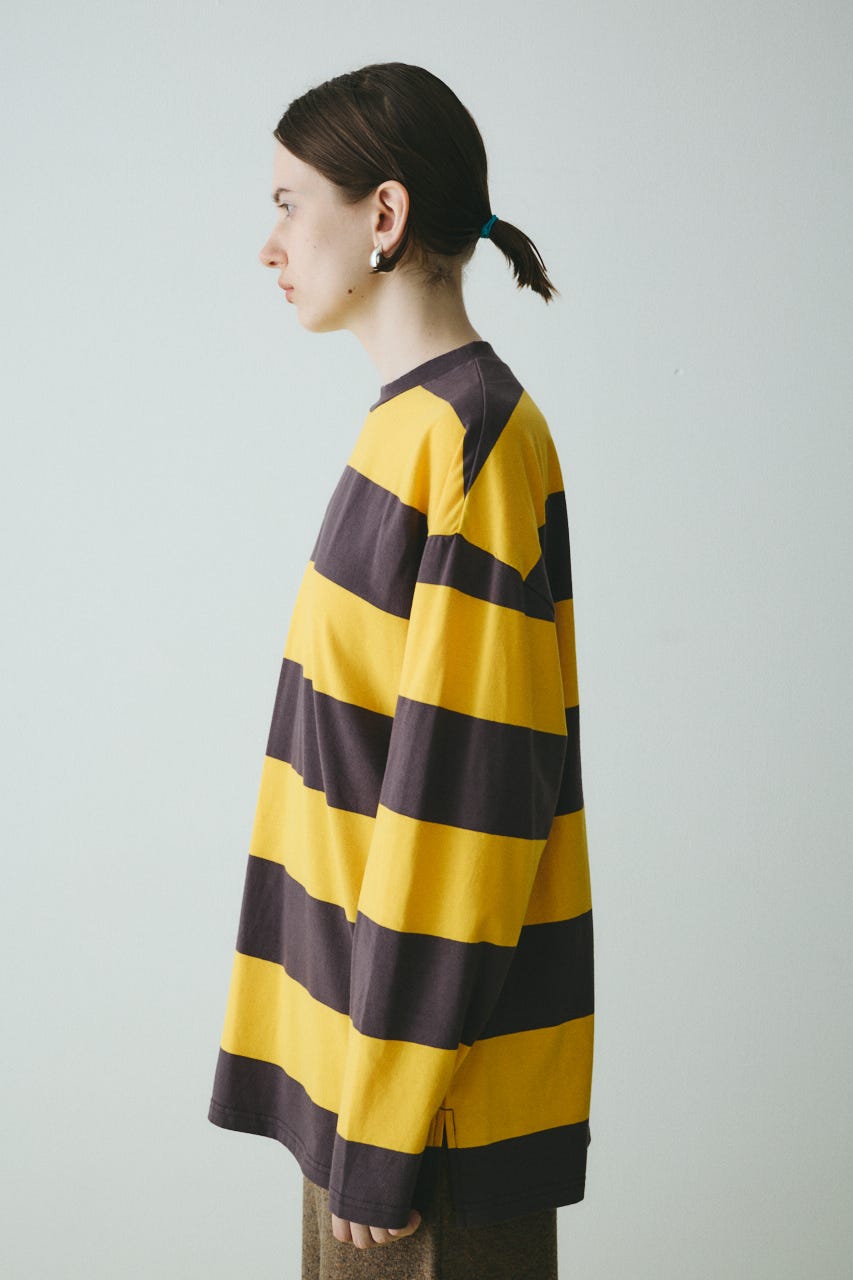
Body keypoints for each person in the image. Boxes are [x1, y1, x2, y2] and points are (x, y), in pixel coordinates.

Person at [208, 61, 594, 1280]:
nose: (270, 244)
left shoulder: (470, 441)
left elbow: (467, 817)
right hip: (366, 1082)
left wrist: (383, 1131)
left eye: (288, 203)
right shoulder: (408, 427)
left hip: (426, 1125)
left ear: (382, 215)